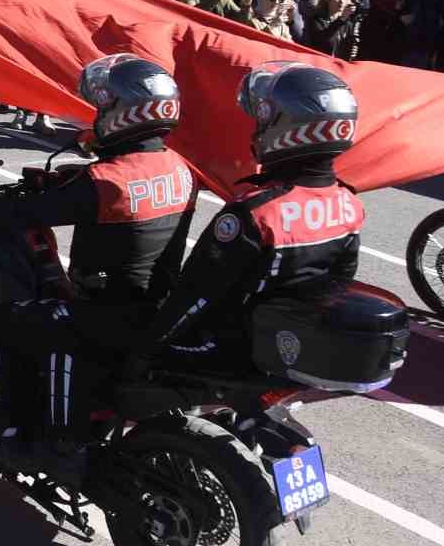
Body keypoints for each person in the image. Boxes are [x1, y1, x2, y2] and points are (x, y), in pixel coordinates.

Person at [0, 55, 195, 471]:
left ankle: (10, 437)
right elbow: (103, 200)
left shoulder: (107, 180)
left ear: (126, 114)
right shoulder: (179, 168)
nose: (99, 114)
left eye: (105, 107)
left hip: (103, 312)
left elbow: (21, 215)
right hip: (156, 306)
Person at [145, 63, 362, 366]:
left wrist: (147, 348)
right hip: (293, 347)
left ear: (292, 131)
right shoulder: (349, 203)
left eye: (265, 122)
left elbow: (195, 294)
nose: (259, 130)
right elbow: (340, 283)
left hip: (228, 348)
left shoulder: (256, 212)